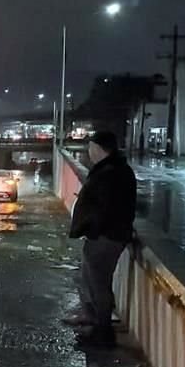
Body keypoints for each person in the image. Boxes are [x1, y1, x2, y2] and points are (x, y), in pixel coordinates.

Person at [66, 130, 137, 347]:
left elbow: (105, 208)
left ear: (99, 148)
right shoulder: (116, 170)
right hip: (106, 235)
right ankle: (95, 325)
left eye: (90, 148)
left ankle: (103, 334)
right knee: (92, 280)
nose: (89, 152)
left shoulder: (110, 173)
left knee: (98, 284)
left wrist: (93, 229)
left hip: (106, 237)